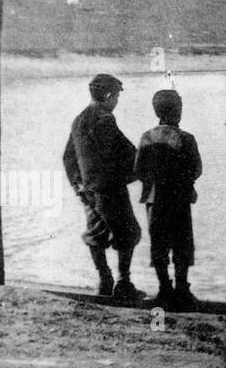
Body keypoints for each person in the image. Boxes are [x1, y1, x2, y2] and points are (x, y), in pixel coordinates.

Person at [62, 74, 144, 301]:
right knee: (129, 233)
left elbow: (68, 157)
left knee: (96, 234)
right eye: (116, 96)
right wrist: (139, 169)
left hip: (88, 189)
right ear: (109, 96)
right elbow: (120, 152)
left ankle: (104, 280)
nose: (117, 101)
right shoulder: (105, 118)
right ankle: (123, 283)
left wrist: (78, 186)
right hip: (109, 188)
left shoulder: (79, 119)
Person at [135, 89, 203, 311]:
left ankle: (165, 290)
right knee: (182, 245)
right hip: (179, 200)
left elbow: (138, 170)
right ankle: (182, 290)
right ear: (179, 111)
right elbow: (196, 170)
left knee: (159, 244)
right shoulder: (186, 138)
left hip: (154, 201)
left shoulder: (146, 137)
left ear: (157, 112)